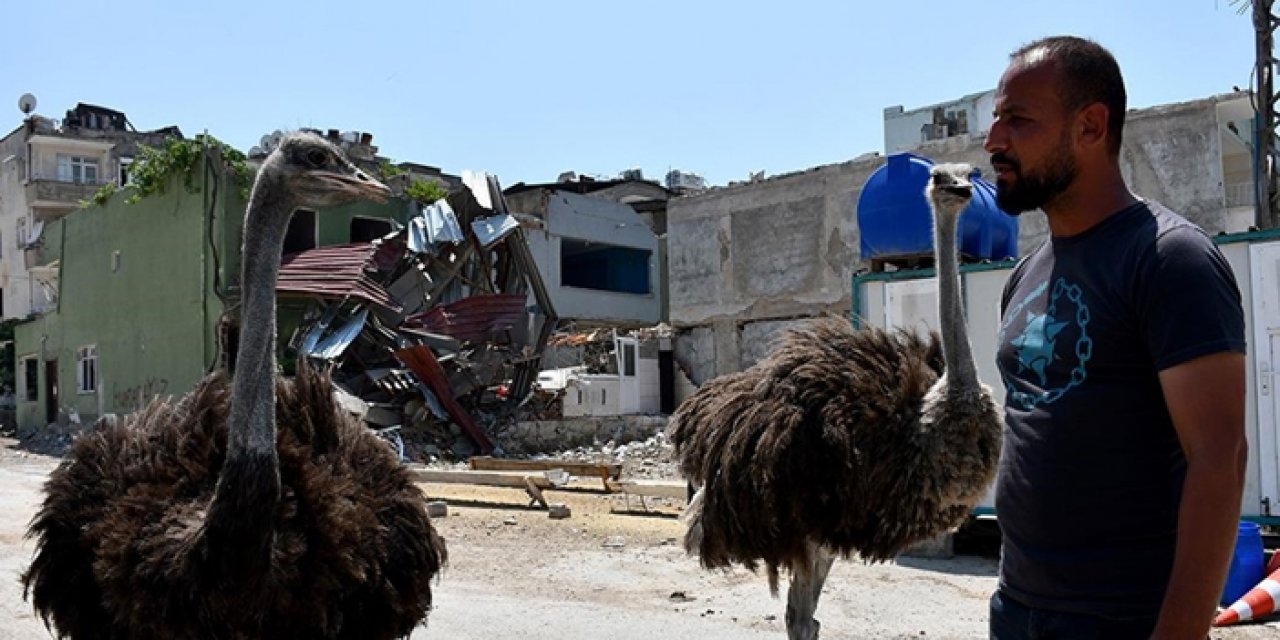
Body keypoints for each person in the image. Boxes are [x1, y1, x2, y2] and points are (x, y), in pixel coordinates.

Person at [984, 35, 1248, 639]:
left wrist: (1179, 634)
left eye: (1017, 121)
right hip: (1016, 610)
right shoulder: (1028, 271)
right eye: (995, 121)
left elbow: (1220, 459)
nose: (994, 142)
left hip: (1120, 620)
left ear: (1092, 126)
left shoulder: (1170, 260)